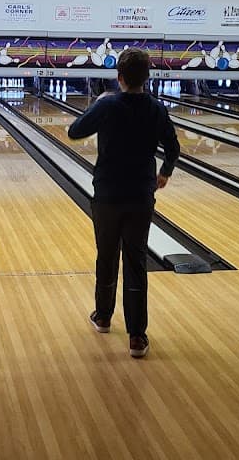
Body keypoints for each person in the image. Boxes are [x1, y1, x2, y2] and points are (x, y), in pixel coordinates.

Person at [67, 48, 180, 358]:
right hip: (141, 196)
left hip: (107, 195)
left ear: (119, 78)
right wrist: (165, 172)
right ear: (147, 77)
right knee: (136, 261)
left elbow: (74, 132)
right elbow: (173, 147)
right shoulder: (157, 109)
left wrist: (98, 103)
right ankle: (137, 337)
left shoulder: (109, 104)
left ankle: (103, 316)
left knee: (106, 256)